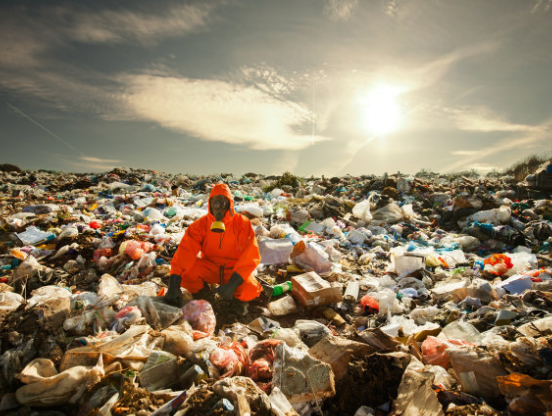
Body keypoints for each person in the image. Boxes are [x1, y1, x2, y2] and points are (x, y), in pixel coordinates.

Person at [162, 183, 262, 309]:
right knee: (186, 274)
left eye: (223, 203)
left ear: (230, 205)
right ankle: (205, 297)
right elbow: (184, 253)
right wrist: (173, 286)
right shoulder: (200, 225)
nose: (219, 208)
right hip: (210, 266)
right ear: (210, 205)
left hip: (233, 270)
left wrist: (232, 285)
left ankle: (236, 305)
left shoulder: (242, 224)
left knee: (250, 289)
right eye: (216, 203)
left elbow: (251, 256)